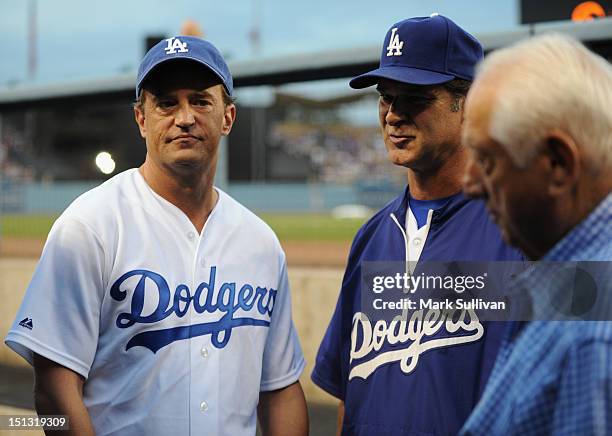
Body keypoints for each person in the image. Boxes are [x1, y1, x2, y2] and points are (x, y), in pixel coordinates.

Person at [5, 36, 308, 436]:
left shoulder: (261, 243)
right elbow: (53, 390)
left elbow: (281, 389)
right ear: (141, 119)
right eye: (166, 102)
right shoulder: (90, 225)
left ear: (228, 117)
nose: (184, 117)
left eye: (200, 100)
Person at [311, 14, 523, 436]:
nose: (393, 115)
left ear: (471, 105)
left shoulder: (520, 232)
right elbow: (348, 391)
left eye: (415, 98)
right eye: (386, 97)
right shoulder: (371, 237)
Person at [461, 33, 612, 435]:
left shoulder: (592, 338)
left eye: (488, 161)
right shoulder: (573, 280)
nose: (470, 183)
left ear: (558, 164)